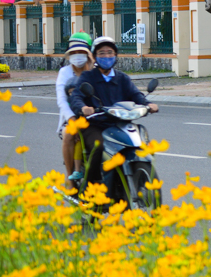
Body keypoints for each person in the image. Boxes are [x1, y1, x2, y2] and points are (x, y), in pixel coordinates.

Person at [68, 36, 159, 183]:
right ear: (95, 56)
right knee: (99, 147)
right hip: (95, 125)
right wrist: (83, 108)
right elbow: (76, 97)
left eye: (110, 52)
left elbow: (136, 95)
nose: (106, 56)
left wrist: (148, 105)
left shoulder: (122, 78)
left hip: (120, 124)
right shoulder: (88, 76)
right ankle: (92, 191)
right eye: (102, 53)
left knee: (139, 142)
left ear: (115, 55)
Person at [56, 32, 94, 184]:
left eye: (82, 52)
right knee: (68, 134)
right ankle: (71, 177)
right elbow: (62, 101)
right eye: (74, 52)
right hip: (71, 117)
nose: (78, 55)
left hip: (94, 116)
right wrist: (72, 121)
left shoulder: (95, 70)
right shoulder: (64, 73)